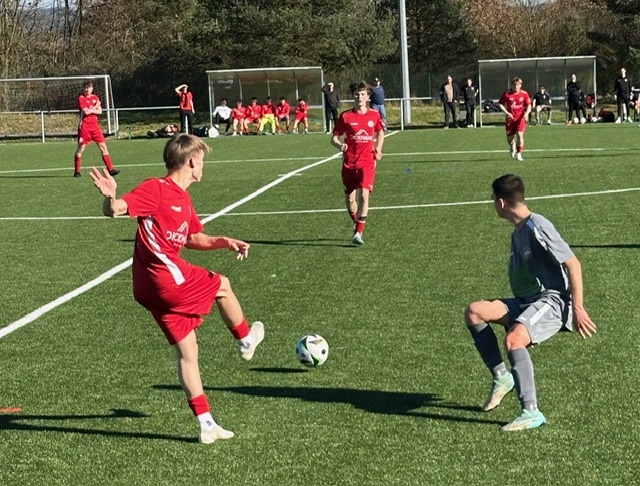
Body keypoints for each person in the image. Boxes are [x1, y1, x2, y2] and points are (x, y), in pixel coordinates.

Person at [89, 134, 265, 444]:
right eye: (202, 161)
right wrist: (110, 197)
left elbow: (194, 238)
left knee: (188, 352)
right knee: (223, 285)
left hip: (149, 289)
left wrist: (225, 241)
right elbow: (116, 210)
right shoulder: (156, 189)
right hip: (165, 278)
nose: (204, 166)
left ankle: (206, 424)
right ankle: (245, 341)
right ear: (192, 162)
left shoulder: (183, 198)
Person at [465, 173, 596, 431]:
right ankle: (502, 377)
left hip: (552, 301)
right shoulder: (518, 231)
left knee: (513, 340)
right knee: (475, 312)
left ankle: (531, 411)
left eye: (493, 199)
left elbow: (573, 263)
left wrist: (578, 308)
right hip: (527, 302)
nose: (493, 203)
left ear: (501, 202)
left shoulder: (538, 226)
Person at [331, 81, 384, 246]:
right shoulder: (346, 116)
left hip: (367, 161)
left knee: (364, 195)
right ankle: (357, 223)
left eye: (362, 94)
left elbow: (380, 132)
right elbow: (334, 137)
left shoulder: (374, 115)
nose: (359, 97)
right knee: (350, 200)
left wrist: (378, 148)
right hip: (349, 162)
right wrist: (339, 145)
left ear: (368, 97)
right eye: (356, 94)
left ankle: (359, 232)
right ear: (352, 96)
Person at [73, 80, 119, 178]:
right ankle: (77, 171)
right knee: (81, 148)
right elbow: (86, 112)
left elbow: (100, 111)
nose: (87, 90)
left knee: (103, 147)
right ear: (83, 89)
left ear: (92, 88)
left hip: (95, 127)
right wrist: (96, 106)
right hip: (85, 127)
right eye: (85, 88)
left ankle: (111, 169)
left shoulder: (95, 98)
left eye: (89, 87)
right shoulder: (81, 98)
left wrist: (94, 108)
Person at [498, 77, 532, 161]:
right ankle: (512, 145)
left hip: (520, 118)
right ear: (512, 85)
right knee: (509, 140)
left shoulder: (524, 94)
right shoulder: (507, 93)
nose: (515, 87)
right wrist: (507, 113)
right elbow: (500, 104)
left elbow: (529, 105)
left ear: (520, 85)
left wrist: (527, 113)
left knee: (520, 135)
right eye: (514, 85)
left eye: (517, 85)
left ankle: (519, 153)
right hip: (510, 119)